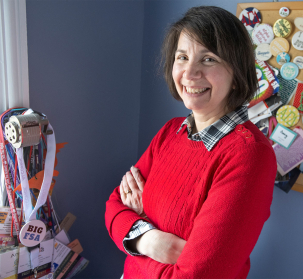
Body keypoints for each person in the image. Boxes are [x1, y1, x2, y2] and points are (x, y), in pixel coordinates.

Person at [105, 6, 277, 279]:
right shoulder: (170, 132)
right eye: (182, 57)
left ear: (237, 72)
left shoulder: (249, 155)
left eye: (208, 59)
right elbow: (113, 207)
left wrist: (135, 229)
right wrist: (150, 242)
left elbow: (197, 275)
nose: (190, 72)